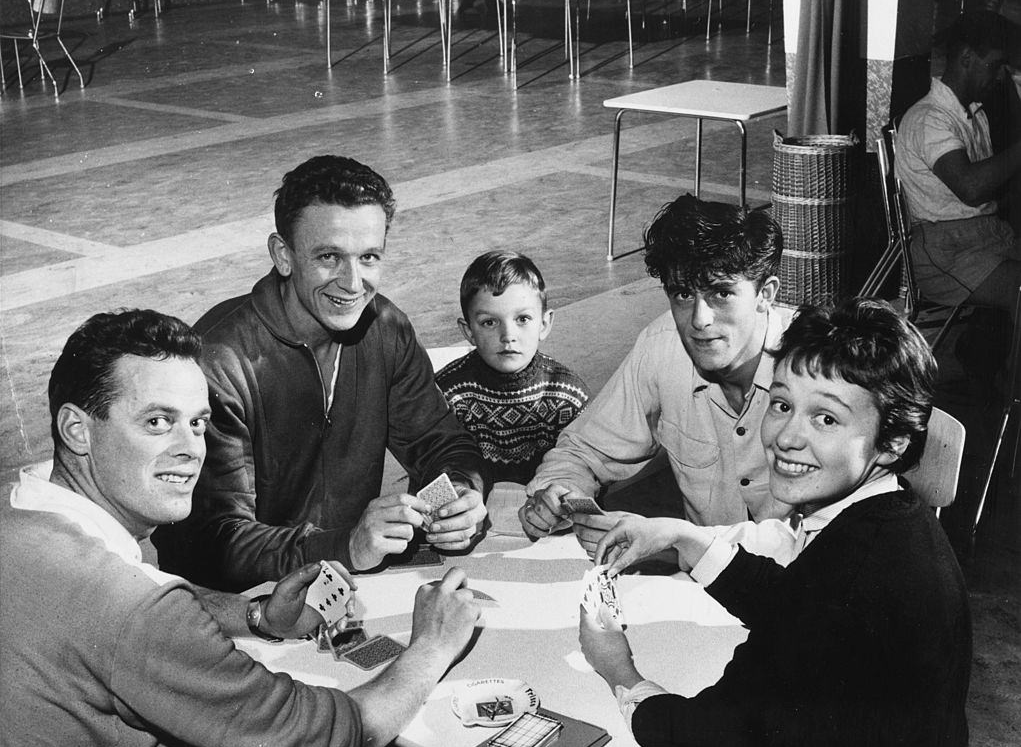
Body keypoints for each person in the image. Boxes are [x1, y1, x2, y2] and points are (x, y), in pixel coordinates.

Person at [0, 310, 496, 747]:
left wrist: (258, 614)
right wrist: (432, 645)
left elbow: (132, 600)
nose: (189, 449)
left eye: (197, 423)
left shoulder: (23, 518)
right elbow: (332, 742)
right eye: (156, 422)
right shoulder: (133, 611)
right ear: (78, 429)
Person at [558, 298, 971, 747]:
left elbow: (711, 737)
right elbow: (799, 607)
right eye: (782, 405)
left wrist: (620, 673)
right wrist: (683, 539)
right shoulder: (889, 526)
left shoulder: (853, 574)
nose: (785, 436)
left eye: (826, 417)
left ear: (893, 443)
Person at [154, 155, 490, 591]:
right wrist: (344, 546)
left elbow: (443, 443)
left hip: (346, 582)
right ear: (283, 255)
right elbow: (214, 543)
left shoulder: (386, 328)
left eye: (369, 257)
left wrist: (463, 493)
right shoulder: (221, 361)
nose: (353, 283)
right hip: (234, 605)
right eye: (329, 257)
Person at [517, 194, 791, 556]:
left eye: (722, 293)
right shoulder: (663, 346)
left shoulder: (815, 365)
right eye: (682, 294)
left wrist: (676, 540)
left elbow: (819, 533)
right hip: (703, 593)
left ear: (764, 295)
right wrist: (559, 491)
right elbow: (584, 450)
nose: (699, 319)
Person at [897, 10, 1021, 315]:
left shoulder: (972, 114)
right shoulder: (929, 118)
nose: (999, 76)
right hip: (944, 252)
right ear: (966, 57)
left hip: (983, 237)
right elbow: (971, 188)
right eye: (994, 66)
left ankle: (983, 348)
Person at [435, 251, 589, 485]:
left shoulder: (567, 395)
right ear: (468, 331)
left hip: (545, 512)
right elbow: (434, 470)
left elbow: (583, 471)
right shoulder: (449, 393)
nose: (508, 336)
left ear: (544, 324)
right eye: (489, 322)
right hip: (470, 512)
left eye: (523, 319)